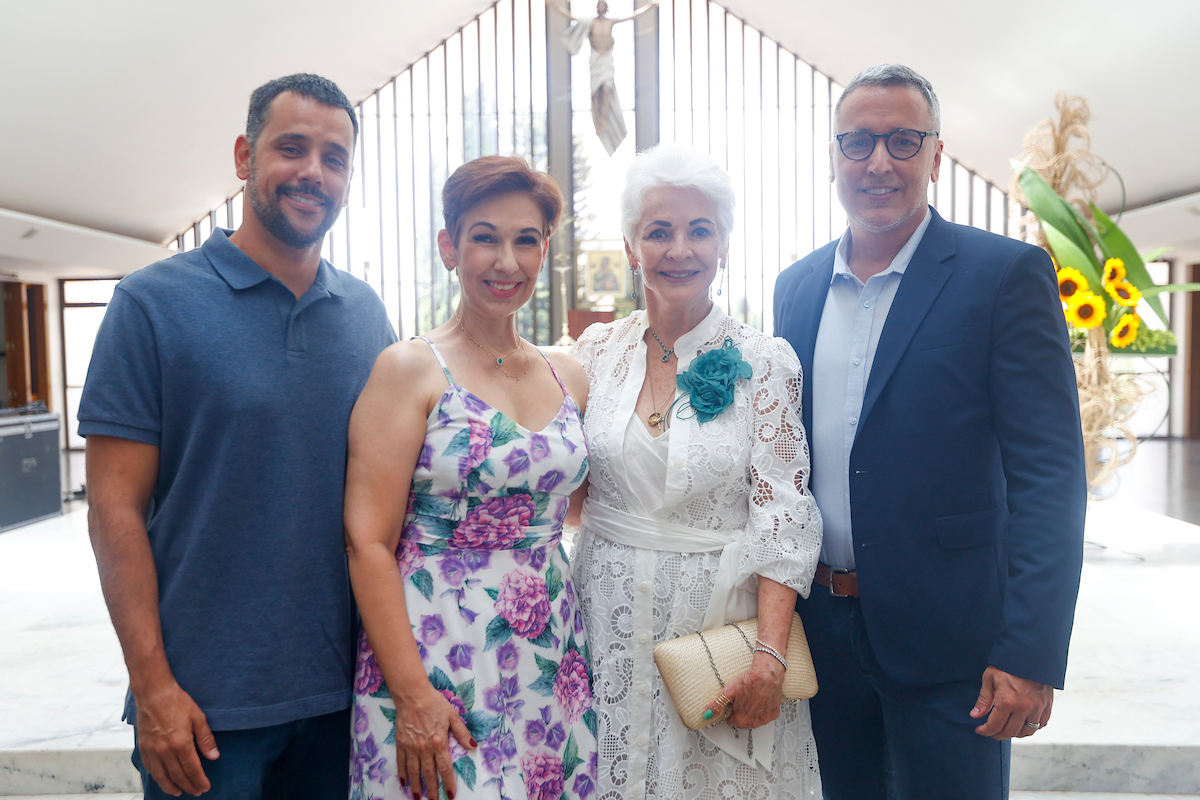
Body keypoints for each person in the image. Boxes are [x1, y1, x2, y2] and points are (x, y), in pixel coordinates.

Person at [79, 74, 397, 799]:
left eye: (334, 157)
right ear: (244, 156)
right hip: (203, 705)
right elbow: (112, 512)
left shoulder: (365, 316)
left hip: (345, 696)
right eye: (292, 148)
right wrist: (152, 687)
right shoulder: (150, 305)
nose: (313, 172)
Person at [773, 64, 1087, 799]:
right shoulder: (796, 287)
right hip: (822, 638)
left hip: (955, 646)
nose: (878, 161)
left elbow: (1051, 477)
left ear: (936, 156)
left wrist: (1032, 652)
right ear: (832, 157)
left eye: (902, 141)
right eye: (857, 142)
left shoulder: (1004, 275)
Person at [569, 143, 823, 800]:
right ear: (631, 246)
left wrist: (770, 654)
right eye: (659, 231)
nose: (679, 248)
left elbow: (785, 512)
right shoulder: (595, 354)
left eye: (699, 229)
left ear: (724, 244)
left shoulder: (763, 361)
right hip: (605, 619)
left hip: (716, 628)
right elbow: (561, 478)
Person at [346, 155, 599, 800]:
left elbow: (578, 508)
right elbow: (367, 542)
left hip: (549, 651)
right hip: (438, 649)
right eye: (484, 237)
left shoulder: (567, 373)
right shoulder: (409, 369)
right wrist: (411, 693)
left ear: (546, 252)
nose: (505, 262)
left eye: (525, 240)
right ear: (449, 248)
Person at [549, 0, 658, 155]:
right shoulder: (590, 23)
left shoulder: (611, 22)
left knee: (606, 88)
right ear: (597, 8)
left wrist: (649, 6)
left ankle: (605, 119)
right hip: (595, 60)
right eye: (599, 5)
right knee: (595, 94)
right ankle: (598, 121)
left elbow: (632, 16)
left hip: (606, 60)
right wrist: (554, 6)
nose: (601, 7)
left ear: (606, 8)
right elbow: (570, 17)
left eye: (603, 5)